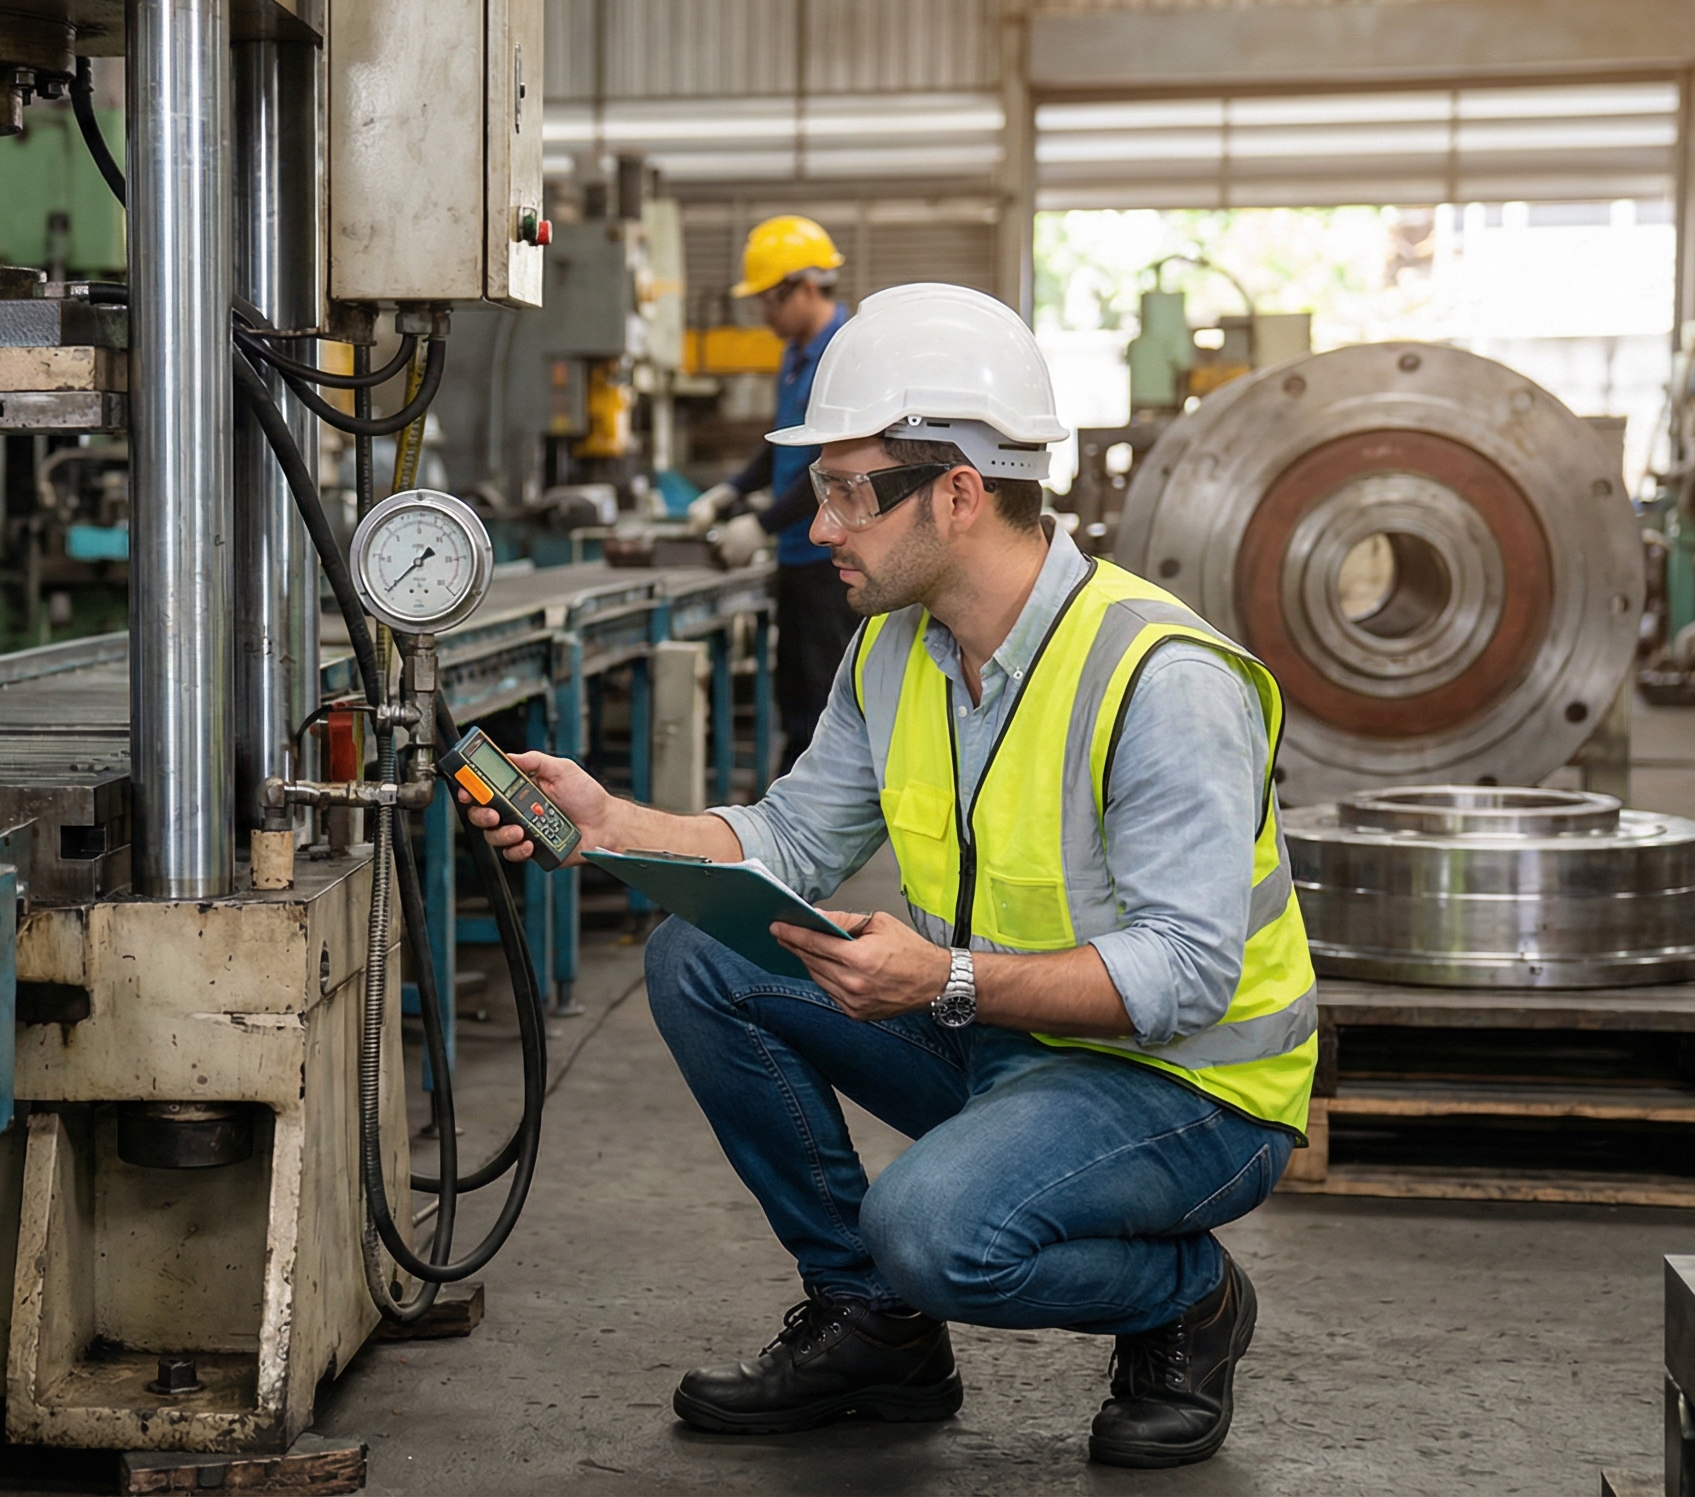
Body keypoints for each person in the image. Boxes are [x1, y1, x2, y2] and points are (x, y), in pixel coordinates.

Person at [466, 282, 1315, 1471]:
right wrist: (620, 821)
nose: (821, 526)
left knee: (929, 1227)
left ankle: (1185, 1299)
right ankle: (878, 1328)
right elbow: (792, 842)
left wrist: (941, 980)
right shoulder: (895, 651)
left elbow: (1182, 976)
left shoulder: (1160, 677)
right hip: (1001, 1035)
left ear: (958, 493)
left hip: (1185, 1089)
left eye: (845, 491)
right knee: (702, 958)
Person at [684, 215, 854, 775]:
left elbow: (831, 466)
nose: (763, 313)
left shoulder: (844, 354)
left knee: (825, 702)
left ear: (805, 287)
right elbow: (781, 447)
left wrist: (761, 524)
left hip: (832, 561)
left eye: (769, 300)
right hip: (797, 555)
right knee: (795, 692)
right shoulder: (796, 354)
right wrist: (730, 492)